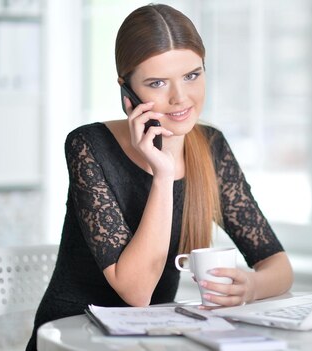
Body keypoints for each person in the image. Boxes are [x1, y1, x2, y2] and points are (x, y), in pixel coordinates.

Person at [25, 3, 293, 350]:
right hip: (74, 336)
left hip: (151, 338)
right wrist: (164, 173)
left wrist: (251, 286)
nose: (180, 97)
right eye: (157, 83)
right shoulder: (88, 145)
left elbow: (279, 266)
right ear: (128, 93)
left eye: (192, 75)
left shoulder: (210, 147)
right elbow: (137, 291)